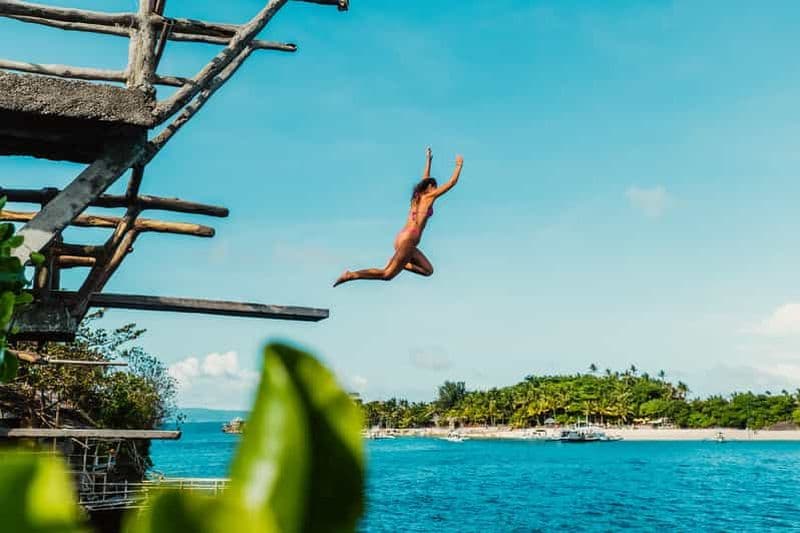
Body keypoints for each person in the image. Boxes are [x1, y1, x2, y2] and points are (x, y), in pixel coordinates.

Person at [334, 147, 463, 286]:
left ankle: (404, 264)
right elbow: (451, 183)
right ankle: (352, 275)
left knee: (428, 270)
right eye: (435, 187)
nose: (436, 190)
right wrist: (458, 165)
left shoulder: (417, 198)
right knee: (387, 274)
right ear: (430, 188)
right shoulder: (429, 196)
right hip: (409, 239)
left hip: (404, 239)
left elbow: (425, 179)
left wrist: (428, 160)